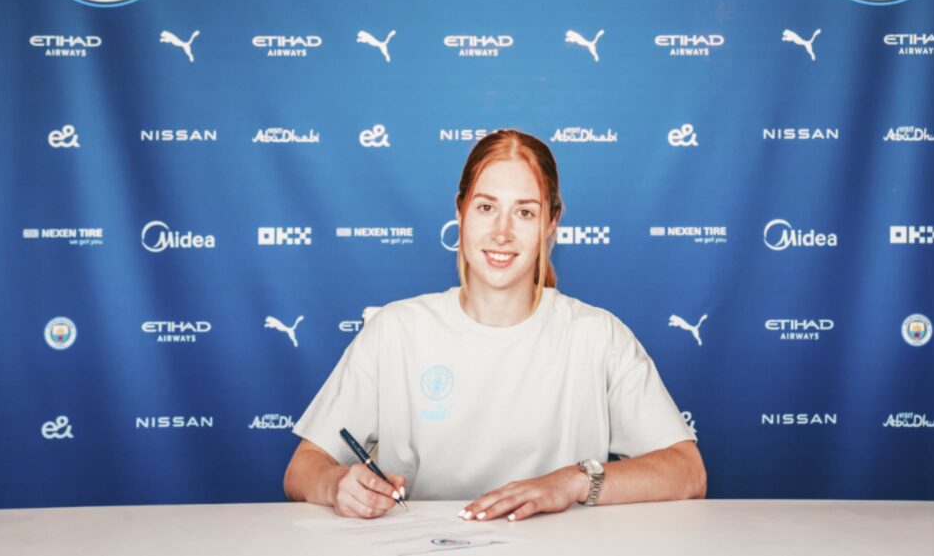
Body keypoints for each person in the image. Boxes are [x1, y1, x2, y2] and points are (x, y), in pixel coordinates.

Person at [284, 129, 705, 520]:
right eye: (486, 208)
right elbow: (303, 467)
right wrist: (337, 483)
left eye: (524, 212)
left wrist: (573, 481)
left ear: (551, 223)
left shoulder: (598, 335)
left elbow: (687, 472)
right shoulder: (395, 329)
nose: (501, 232)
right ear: (460, 211)